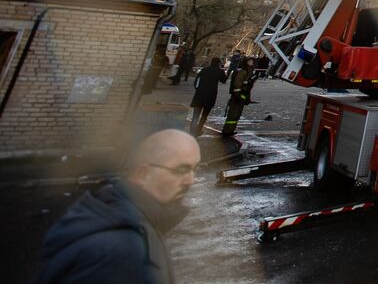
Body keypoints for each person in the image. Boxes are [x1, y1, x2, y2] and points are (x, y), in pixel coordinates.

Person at [34, 128, 200, 284]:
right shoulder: (119, 252)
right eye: (181, 170)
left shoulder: (126, 215)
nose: (191, 180)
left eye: (195, 169)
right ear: (143, 174)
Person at [188, 56, 225, 137]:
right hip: (210, 96)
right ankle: (198, 130)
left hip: (199, 95)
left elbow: (196, 81)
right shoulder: (219, 71)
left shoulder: (204, 70)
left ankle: (192, 131)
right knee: (204, 115)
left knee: (195, 115)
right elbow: (224, 80)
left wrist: (197, 89)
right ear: (219, 63)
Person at [220, 58, 254, 138]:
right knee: (233, 114)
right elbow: (238, 83)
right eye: (249, 61)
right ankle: (227, 131)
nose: (251, 63)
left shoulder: (249, 72)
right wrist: (238, 94)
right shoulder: (243, 72)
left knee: (236, 114)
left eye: (252, 61)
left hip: (242, 95)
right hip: (237, 96)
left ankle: (230, 130)